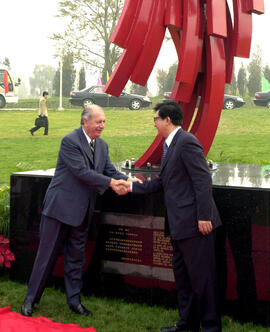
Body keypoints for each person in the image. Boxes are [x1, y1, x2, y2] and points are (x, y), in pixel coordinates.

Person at [21, 104, 133, 317]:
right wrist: (111, 183)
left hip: (82, 212)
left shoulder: (102, 145)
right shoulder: (70, 141)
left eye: (104, 122)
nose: (102, 126)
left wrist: (128, 179)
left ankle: (74, 301)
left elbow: (108, 169)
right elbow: (82, 172)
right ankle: (30, 300)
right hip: (59, 209)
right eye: (98, 121)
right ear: (85, 121)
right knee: (46, 258)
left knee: (76, 258)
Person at [129, 102, 222, 332]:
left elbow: (202, 180)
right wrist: (132, 187)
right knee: (184, 280)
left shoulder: (187, 142)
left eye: (156, 119)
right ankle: (187, 325)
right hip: (180, 226)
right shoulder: (170, 146)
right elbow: (163, 182)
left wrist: (203, 217)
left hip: (196, 226)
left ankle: (211, 328)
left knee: (203, 281)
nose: (155, 123)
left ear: (168, 120)